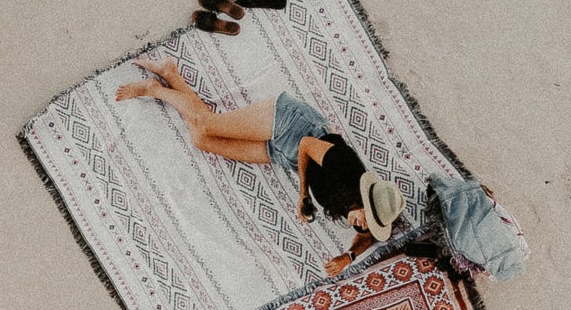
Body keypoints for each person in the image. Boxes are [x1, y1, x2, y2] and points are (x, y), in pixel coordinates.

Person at [116, 57, 405, 276]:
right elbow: (306, 144)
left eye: (369, 225)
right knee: (206, 123)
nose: (363, 226)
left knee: (202, 139)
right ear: (366, 200)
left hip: (283, 155)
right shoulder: (347, 168)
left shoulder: (364, 217)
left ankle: (171, 75)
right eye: (368, 220)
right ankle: (156, 89)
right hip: (291, 124)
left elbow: (370, 237)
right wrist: (303, 194)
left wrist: (349, 257)